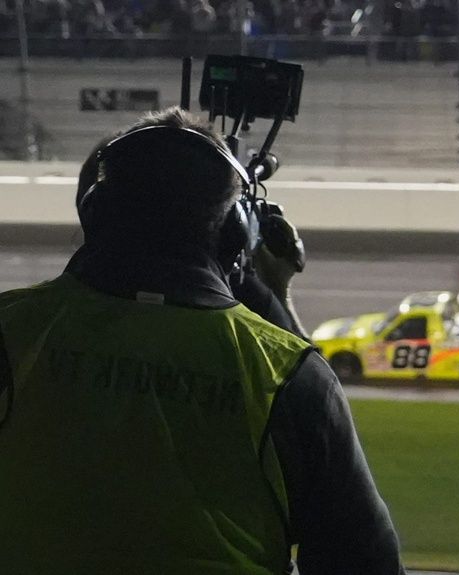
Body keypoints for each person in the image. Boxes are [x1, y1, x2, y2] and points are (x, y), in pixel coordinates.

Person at [0, 107, 405, 574]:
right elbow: (363, 561)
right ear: (234, 235)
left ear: (91, 212)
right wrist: (273, 298)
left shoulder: (13, 329)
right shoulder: (287, 374)